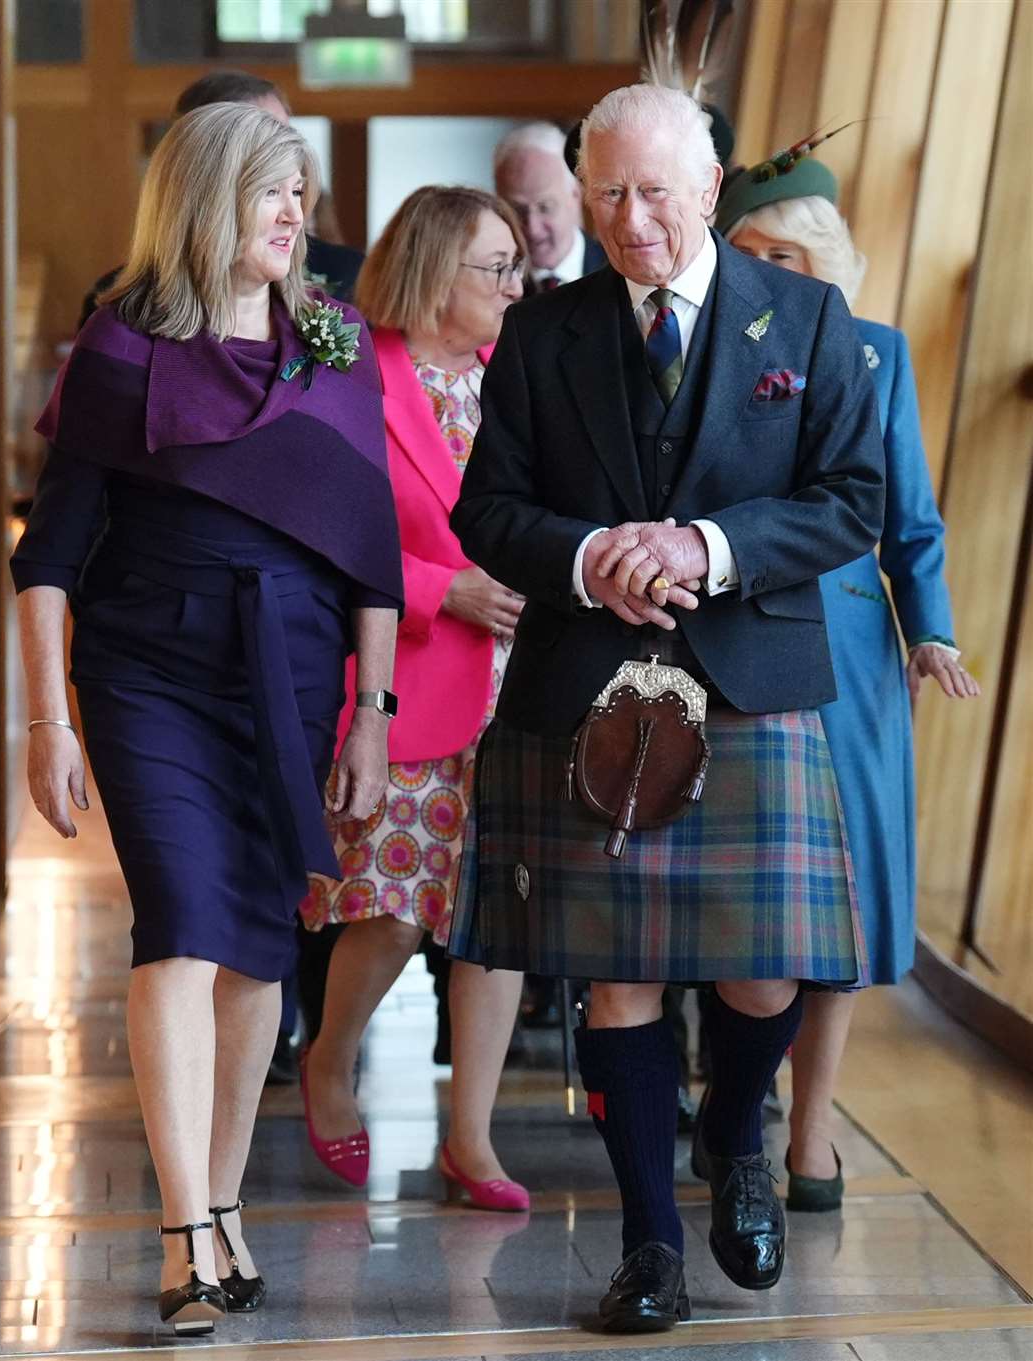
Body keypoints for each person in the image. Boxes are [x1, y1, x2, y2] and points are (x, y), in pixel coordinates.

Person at [446, 84, 886, 1332]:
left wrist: (702, 545)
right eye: (606, 194)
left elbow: (850, 497)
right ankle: (648, 1243)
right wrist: (592, 557)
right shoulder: (544, 333)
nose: (630, 219)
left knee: (762, 976)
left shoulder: (804, 316)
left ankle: (737, 1130)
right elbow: (488, 510)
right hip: (592, 680)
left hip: (751, 679)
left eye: (653, 193)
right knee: (618, 977)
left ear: (709, 186)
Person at [10, 104, 402, 1336]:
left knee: (258, 941)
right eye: (268, 193)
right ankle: (188, 1229)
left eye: (300, 194)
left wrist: (372, 719)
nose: (296, 215)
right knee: (180, 919)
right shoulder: (119, 350)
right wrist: (45, 718)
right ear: (202, 201)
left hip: (289, 667)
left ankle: (222, 1202)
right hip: (146, 670)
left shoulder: (333, 351)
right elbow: (52, 554)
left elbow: (374, 559)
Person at [717, 154, 979, 1211]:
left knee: (850, 911)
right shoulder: (704, 360)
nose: (774, 273)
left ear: (826, 265)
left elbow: (911, 517)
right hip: (735, 643)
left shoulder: (878, 354)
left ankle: (812, 1133)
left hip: (855, 662)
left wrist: (933, 633)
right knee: (751, 907)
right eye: (754, 256)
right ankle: (735, 1100)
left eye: (791, 256)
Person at [299, 186, 530, 1213]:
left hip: (521, 686)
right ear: (440, 267)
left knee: (499, 918)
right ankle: (329, 1060)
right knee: (391, 910)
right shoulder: (354, 371)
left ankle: (471, 1138)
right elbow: (321, 530)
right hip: (408, 678)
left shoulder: (514, 380)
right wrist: (447, 589)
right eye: (498, 265)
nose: (516, 286)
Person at [77, 71, 364, 331]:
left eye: (296, 191)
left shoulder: (341, 307)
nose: (294, 215)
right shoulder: (120, 320)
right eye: (258, 137)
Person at [493, 122, 605, 294]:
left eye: (545, 208)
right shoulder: (494, 286)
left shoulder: (619, 270)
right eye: (517, 211)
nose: (533, 229)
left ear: (575, 194)